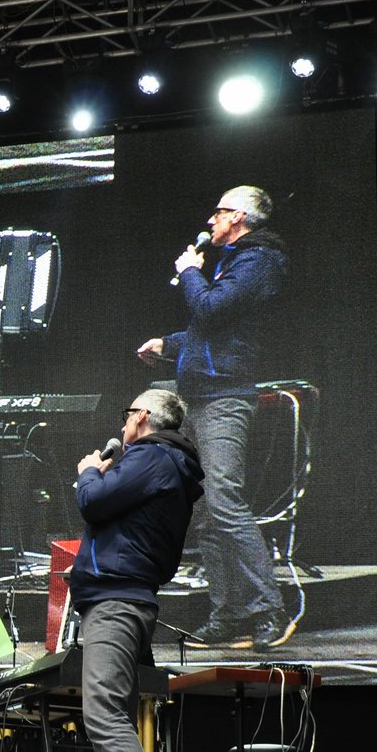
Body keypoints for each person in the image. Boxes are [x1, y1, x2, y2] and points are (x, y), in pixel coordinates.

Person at [136, 185, 293, 650]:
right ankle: (228, 612)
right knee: (204, 512)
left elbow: (211, 307)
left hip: (226, 397)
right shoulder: (233, 261)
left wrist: (189, 272)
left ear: (239, 216)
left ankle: (268, 609)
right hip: (199, 395)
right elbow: (209, 329)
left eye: (219, 211)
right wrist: (169, 344)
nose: (210, 218)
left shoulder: (258, 260)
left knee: (224, 499)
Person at [70, 388, 203, 752]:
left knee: (103, 715)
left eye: (127, 415)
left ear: (143, 415)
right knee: (116, 716)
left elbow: (93, 502)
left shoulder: (152, 457)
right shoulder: (162, 462)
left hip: (116, 600)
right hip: (122, 597)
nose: (123, 424)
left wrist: (90, 472)